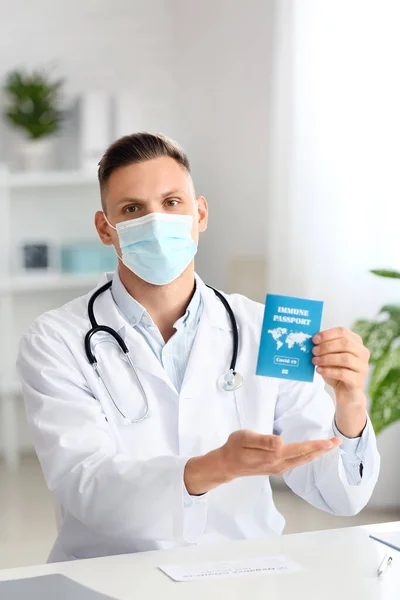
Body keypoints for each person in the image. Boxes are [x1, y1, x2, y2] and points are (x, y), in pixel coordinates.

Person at [17, 133, 380, 563]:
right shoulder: (56, 339)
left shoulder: (265, 328)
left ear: (199, 213)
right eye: (132, 209)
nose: (155, 222)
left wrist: (350, 402)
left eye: (172, 202)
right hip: (111, 575)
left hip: (244, 572)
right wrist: (214, 468)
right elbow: (86, 484)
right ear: (105, 229)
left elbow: (339, 494)